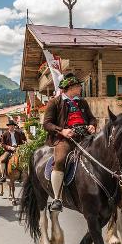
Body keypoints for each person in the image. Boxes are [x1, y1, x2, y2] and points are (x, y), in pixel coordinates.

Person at [43, 73, 97, 212]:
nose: (80, 88)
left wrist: (92, 125)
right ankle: (57, 198)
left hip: (84, 136)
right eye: (78, 86)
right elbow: (47, 124)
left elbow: (91, 118)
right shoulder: (54, 102)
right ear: (70, 88)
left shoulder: (82, 102)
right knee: (60, 160)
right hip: (64, 139)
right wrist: (62, 131)